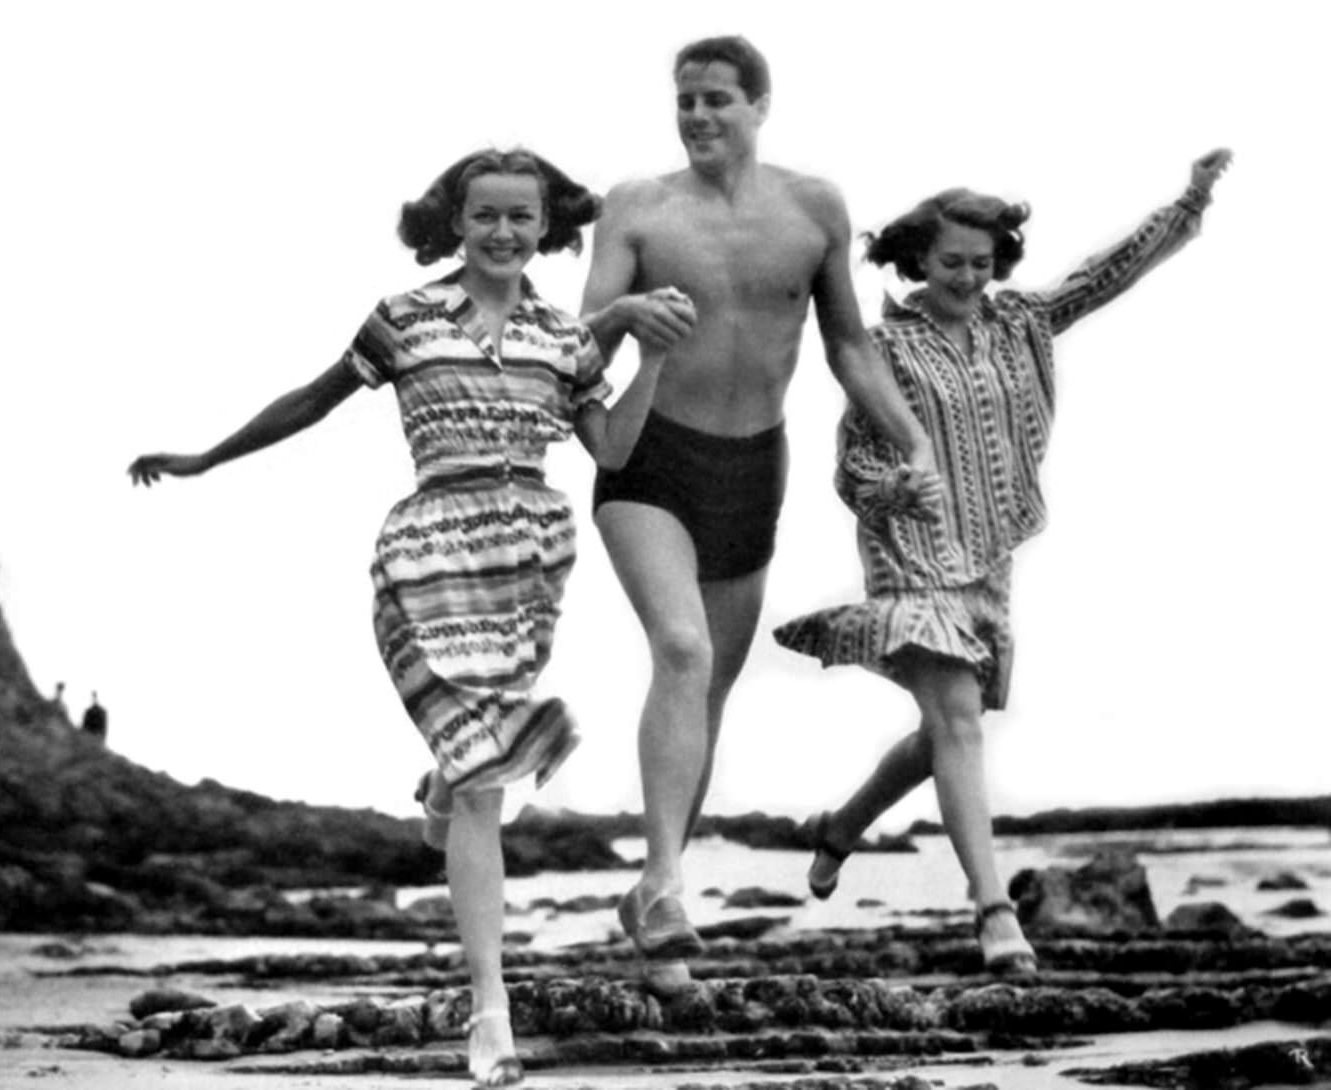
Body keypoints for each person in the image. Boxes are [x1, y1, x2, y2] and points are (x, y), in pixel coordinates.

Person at [128, 148, 675, 1088]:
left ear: (546, 226)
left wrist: (652, 354)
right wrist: (207, 458)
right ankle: (492, 1013)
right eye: (484, 214)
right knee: (486, 778)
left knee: (472, 766)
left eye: (521, 216)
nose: (502, 231)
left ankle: (441, 789)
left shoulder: (563, 338)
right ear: (455, 220)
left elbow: (616, 449)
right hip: (426, 551)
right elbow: (313, 399)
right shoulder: (406, 317)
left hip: (527, 563)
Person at [773, 149, 1234, 974]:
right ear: (919, 259)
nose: (967, 277)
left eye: (982, 263)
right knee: (956, 720)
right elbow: (852, 465)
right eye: (952, 262)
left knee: (948, 730)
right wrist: (891, 490)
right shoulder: (884, 348)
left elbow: (1101, 278)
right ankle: (993, 911)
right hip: (910, 552)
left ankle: (840, 827)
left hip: (988, 553)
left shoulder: (1018, 321)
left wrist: (1187, 204)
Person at [579, 35, 939, 991]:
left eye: (716, 100)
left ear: (760, 106)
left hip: (752, 464)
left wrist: (912, 441)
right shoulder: (637, 207)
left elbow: (849, 346)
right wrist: (623, 319)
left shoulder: (814, 208)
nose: (697, 116)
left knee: (708, 692)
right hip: (649, 454)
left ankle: (652, 898)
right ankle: (666, 886)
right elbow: (577, 345)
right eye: (685, 101)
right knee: (682, 650)